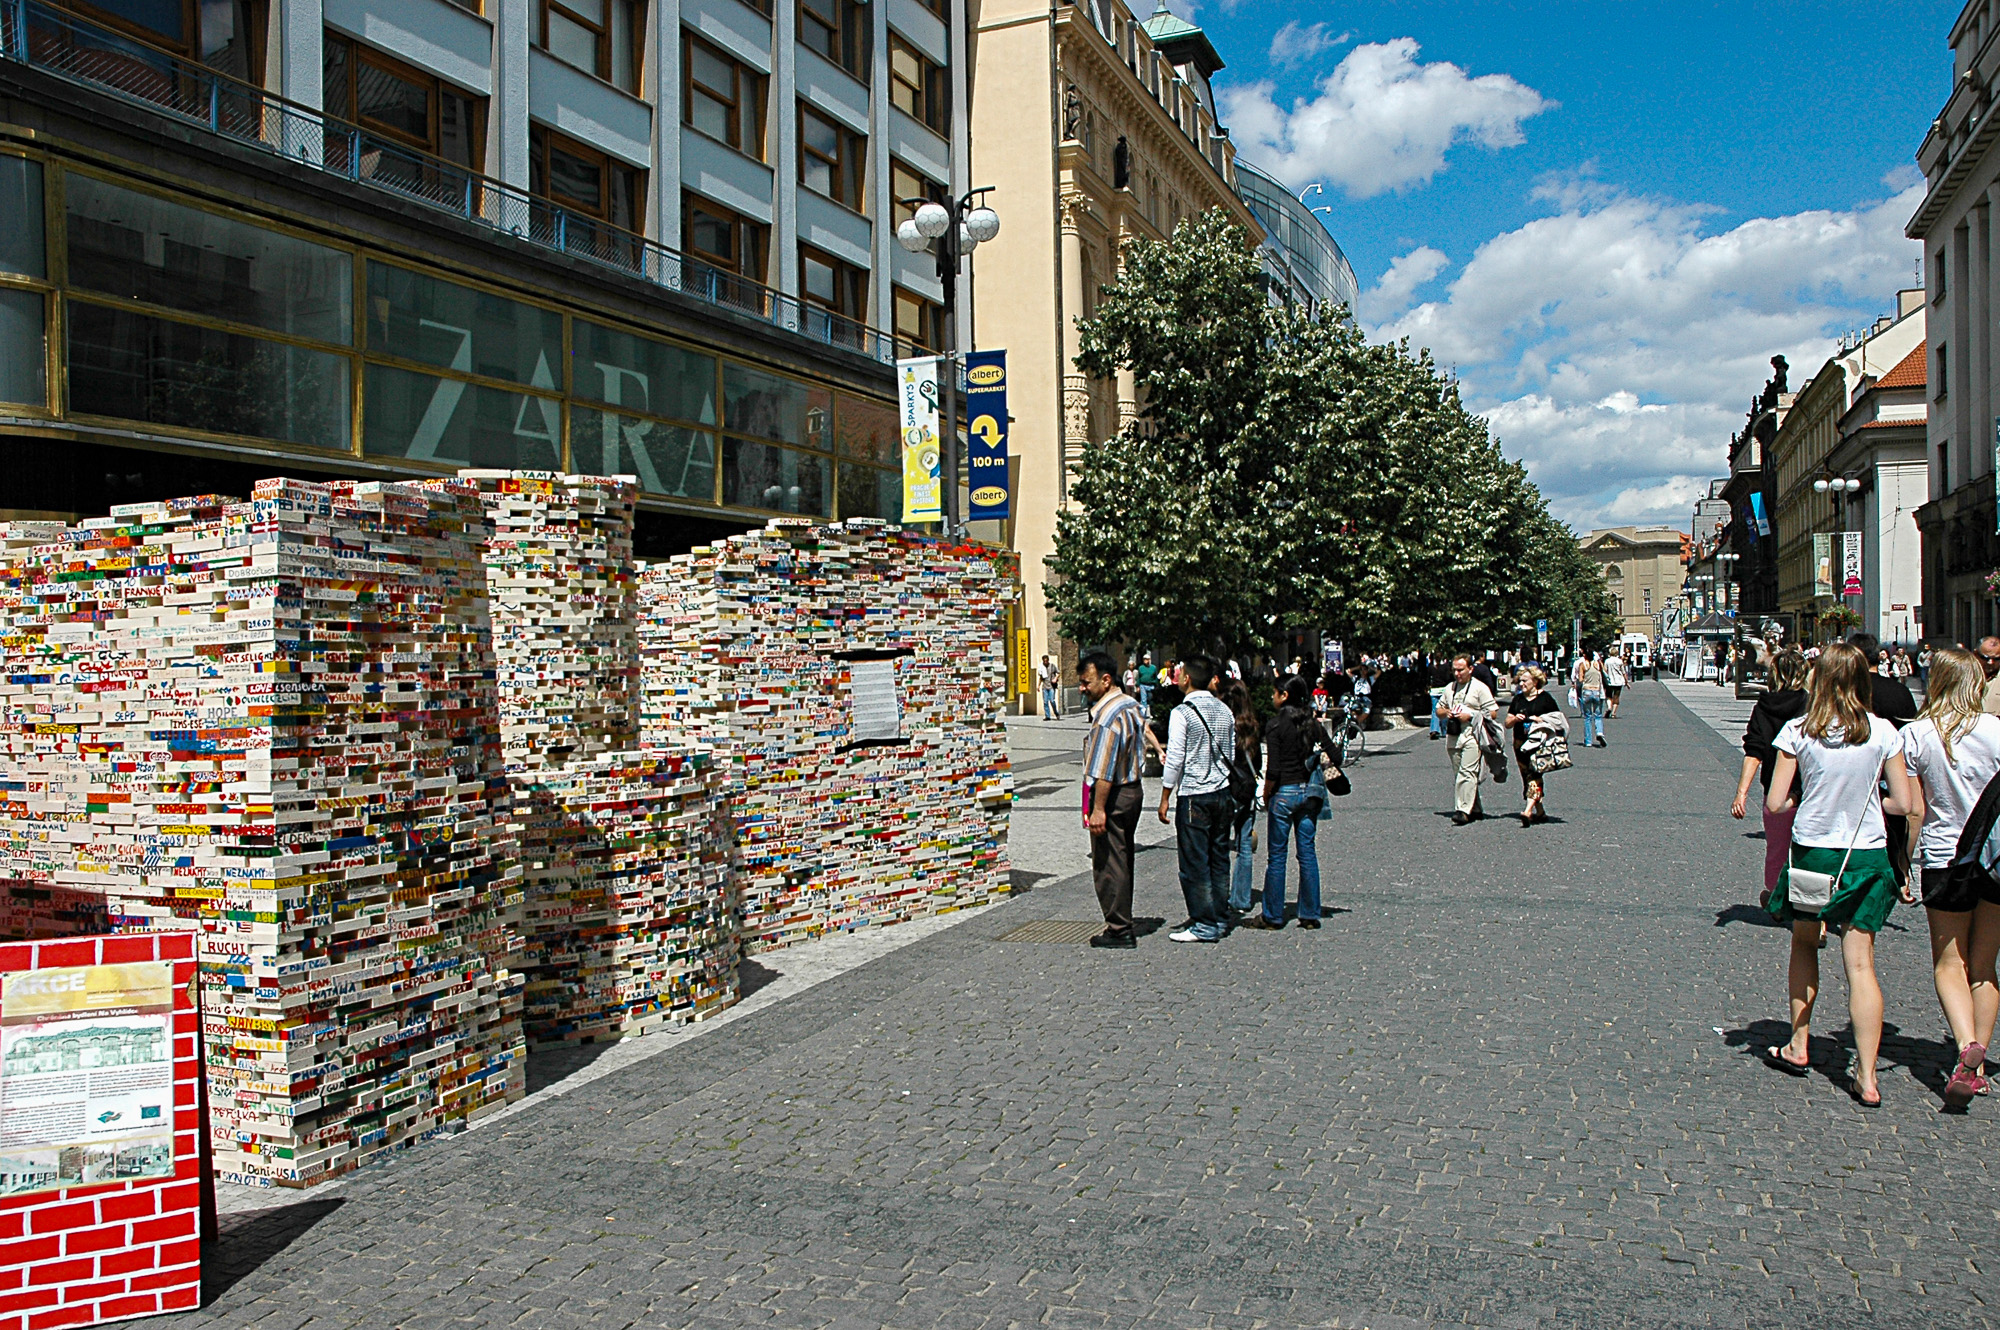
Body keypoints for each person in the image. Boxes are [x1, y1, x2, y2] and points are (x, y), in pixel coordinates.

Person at [1762, 642, 1916, 1107]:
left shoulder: (1798, 732)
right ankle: (1867, 1076)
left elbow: (1774, 802)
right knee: (1862, 964)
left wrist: (1799, 802)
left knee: (1806, 943)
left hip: (1814, 853)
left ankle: (1799, 1043)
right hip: (1865, 855)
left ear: (1819, 679)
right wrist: (1876, 805)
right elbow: (1904, 804)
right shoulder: (1883, 732)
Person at [1901, 648, 2000, 1108]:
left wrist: (1904, 861)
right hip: (1996, 860)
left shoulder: (1917, 735)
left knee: (1948, 960)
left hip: (1944, 857)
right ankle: (1976, 1069)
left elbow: (1914, 809)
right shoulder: (1997, 731)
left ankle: (1965, 1049)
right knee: (1984, 965)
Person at [1246, 676, 1341, 929]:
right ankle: (1310, 914)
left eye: (1275, 693)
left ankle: (1273, 915)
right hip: (1310, 793)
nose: (1272, 697)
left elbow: (1273, 769)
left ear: (1284, 695)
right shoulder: (1313, 724)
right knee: (1307, 853)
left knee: (1277, 857)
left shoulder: (1275, 726)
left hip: (1284, 793)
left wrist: (1266, 794)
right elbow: (1337, 755)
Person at [1158, 656, 1236, 943]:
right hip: (1222, 791)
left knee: (1194, 863)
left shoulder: (1182, 712)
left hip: (1194, 794)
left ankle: (1204, 923)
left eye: (1179, 673)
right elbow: (1231, 750)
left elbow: (1175, 757)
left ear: (1187, 678)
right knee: (1219, 857)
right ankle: (1219, 915)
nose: (1176, 677)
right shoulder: (1224, 709)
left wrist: (1165, 795)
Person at [1732, 649, 1811, 909]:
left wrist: (1742, 792)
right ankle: (1813, 908)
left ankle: (1778, 897)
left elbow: (1753, 751)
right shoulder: (1811, 705)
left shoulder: (1763, 706)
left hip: (1775, 787)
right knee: (1809, 850)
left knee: (1777, 847)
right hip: (1811, 788)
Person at [1078, 652, 1147, 949]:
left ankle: (1118, 928)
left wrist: (1098, 809)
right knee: (1123, 856)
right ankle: (1122, 919)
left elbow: (1103, 770)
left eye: (1086, 682)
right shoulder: (1130, 704)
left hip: (1115, 793)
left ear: (1106, 680)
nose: (1083, 688)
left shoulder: (1107, 717)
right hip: (1133, 789)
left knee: (1109, 862)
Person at [1221, 680, 1263, 923]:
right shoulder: (1253, 725)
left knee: (1220, 843)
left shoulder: (1226, 725)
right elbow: (1256, 760)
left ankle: (1222, 894)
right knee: (1245, 845)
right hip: (1248, 787)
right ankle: (1242, 898)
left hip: (1229, 787)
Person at [1436, 653, 1495, 825]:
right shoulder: (1450, 688)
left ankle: (1462, 810)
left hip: (1473, 735)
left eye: (1461, 670)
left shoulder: (1479, 688)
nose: (1457, 673)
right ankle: (1475, 808)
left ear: (1470, 669)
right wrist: (1447, 713)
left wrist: (1470, 715)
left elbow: (1493, 712)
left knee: (1467, 772)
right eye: (1454, 670)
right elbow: (1439, 710)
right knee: (1459, 773)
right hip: (1454, 736)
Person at [1502, 665, 1561, 825]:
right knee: (1526, 776)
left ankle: (1528, 811)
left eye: (1525, 681)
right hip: (1520, 743)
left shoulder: (1545, 699)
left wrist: (1540, 720)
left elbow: (1558, 720)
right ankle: (1540, 812)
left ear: (1535, 681)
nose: (1521, 684)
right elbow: (1507, 723)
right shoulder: (1518, 699)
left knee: (1534, 775)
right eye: (1520, 681)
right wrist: (1515, 719)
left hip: (1539, 743)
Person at [1575, 652, 1607, 748]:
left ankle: (1588, 741)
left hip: (1587, 691)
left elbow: (1580, 679)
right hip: (1597, 691)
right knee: (1598, 715)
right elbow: (1604, 673)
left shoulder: (1583, 664)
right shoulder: (1598, 664)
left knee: (1587, 717)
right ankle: (1599, 732)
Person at [1428, 656, 1451, 741]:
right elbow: (1448, 678)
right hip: (1443, 690)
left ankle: (1434, 729)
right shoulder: (1445, 667)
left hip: (1434, 690)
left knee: (1435, 710)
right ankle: (1444, 730)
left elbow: (1428, 678)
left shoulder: (1431, 667)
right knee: (1444, 709)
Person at [1603, 650, 1628, 719]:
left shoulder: (1607, 661)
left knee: (1608, 695)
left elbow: (1605, 670)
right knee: (1616, 696)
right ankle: (1613, 713)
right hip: (1619, 681)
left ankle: (1609, 707)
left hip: (1609, 681)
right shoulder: (1619, 661)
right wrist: (1626, 682)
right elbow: (1623, 672)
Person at [1979, 636, 2000, 714]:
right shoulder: (1966, 676)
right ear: (1976, 654)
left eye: (1996, 659)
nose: (1990, 662)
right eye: (1986, 658)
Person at [1038, 653, 1062, 720]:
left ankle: (1056, 713)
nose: (1045, 662)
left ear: (1048, 660)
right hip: (1045, 687)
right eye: (1044, 661)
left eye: (1046, 661)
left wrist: (1055, 678)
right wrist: (1038, 686)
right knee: (1045, 702)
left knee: (1052, 701)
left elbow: (1059, 673)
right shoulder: (1041, 667)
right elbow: (1041, 677)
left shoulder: (1052, 666)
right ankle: (1047, 716)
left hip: (1051, 686)